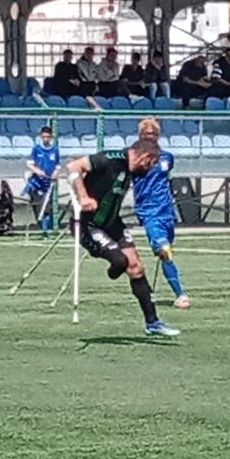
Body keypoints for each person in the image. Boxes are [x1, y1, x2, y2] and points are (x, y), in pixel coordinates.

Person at [66, 139, 180, 336]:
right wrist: (83, 197)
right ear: (145, 157)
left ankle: (152, 322)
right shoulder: (110, 159)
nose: (150, 168)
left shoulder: (130, 170)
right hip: (88, 225)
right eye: (151, 163)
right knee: (121, 262)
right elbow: (73, 166)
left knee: (136, 267)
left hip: (112, 223)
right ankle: (114, 265)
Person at [135, 118, 190, 309]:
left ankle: (146, 289)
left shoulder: (167, 157)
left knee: (165, 253)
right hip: (148, 212)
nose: (150, 137)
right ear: (140, 136)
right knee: (164, 250)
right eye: (146, 135)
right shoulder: (135, 159)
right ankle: (181, 295)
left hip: (167, 212)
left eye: (153, 134)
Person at [23, 126, 60, 238]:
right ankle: (41, 227)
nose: (46, 139)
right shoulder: (36, 149)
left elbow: (57, 165)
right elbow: (29, 164)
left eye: (48, 137)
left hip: (49, 182)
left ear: (51, 137)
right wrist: (37, 171)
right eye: (44, 137)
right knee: (39, 206)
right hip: (37, 182)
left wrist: (56, 173)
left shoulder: (55, 150)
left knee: (47, 206)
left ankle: (47, 230)